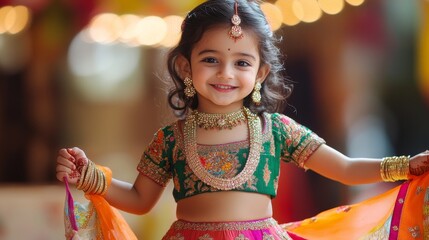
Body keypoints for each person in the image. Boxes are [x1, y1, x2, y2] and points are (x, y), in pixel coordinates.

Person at [56, 0, 429, 239]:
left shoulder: (275, 131)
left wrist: (403, 166)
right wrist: (90, 175)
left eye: (242, 63)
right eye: (210, 59)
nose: (226, 73)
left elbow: (345, 169)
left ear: (261, 73)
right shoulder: (170, 139)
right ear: (186, 66)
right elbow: (140, 200)